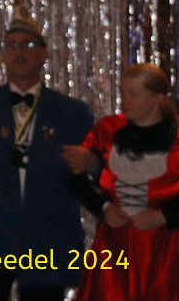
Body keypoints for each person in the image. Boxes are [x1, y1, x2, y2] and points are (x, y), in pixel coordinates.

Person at [0, 1, 93, 301]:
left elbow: (96, 167)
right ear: (2, 55)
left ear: (44, 54)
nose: (19, 51)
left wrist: (91, 160)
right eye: (11, 45)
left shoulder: (72, 112)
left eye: (28, 44)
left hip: (49, 236)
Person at [60, 62, 179, 301]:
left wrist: (164, 216)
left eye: (133, 94)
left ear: (157, 99)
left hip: (165, 247)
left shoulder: (176, 140)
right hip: (115, 245)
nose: (125, 100)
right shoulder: (108, 130)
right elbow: (75, 180)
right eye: (123, 93)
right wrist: (104, 208)